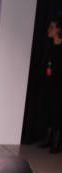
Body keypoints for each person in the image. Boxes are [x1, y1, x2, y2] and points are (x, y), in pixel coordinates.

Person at [39, 18, 62, 153]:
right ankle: (48, 140)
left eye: (52, 27)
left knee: (57, 114)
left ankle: (56, 143)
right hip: (49, 86)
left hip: (59, 87)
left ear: (59, 29)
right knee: (48, 112)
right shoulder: (49, 47)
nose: (49, 29)